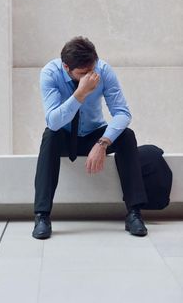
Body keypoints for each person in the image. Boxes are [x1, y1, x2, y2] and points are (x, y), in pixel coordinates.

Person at [32, 36, 148, 240]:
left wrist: (103, 143)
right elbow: (53, 121)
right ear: (66, 67)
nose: (90, 76)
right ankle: (42, 216)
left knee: (127, 136)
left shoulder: (103, 70)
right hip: (65, 135)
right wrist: (80, 93)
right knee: (50, 136)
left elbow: (122, 113)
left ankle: (134, 213)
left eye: (91, 70)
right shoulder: (50, 73)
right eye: (83, 74)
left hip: (94, 134)